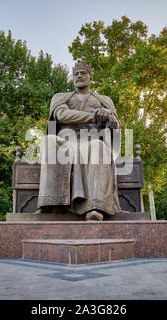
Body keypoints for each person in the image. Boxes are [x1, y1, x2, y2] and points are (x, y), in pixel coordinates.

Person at [36, 60, 121, 221]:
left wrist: (109, 118)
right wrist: (94, 117)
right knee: (49, 141)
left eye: (83, 73)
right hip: (66, 140)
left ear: (90, 77)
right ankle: (51, 204)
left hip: (92, 140)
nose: (79, 76)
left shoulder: (105, 101)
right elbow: (61, 115)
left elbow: (115, 125)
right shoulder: (60, 97)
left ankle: (95, 208)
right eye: (76, 74)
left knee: (97, 147)